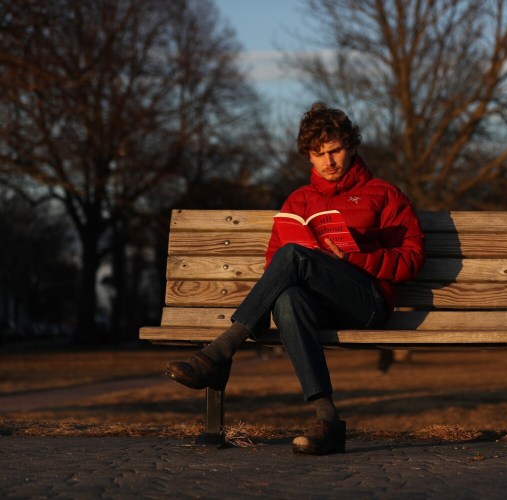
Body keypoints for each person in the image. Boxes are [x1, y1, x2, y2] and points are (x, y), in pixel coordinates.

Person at [164, 102, 425, 455]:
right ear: (309, 157)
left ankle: (221, 351)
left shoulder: (384, 194)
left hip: (368, 302)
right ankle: (327, 420)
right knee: (287, 299)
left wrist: (353, 257)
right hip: (318, 305)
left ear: (351, 147)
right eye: (319, 154)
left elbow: (411, 260)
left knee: (293, 257)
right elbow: (276, 264)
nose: (329, 161)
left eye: (335, 151)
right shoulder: (298, 201)